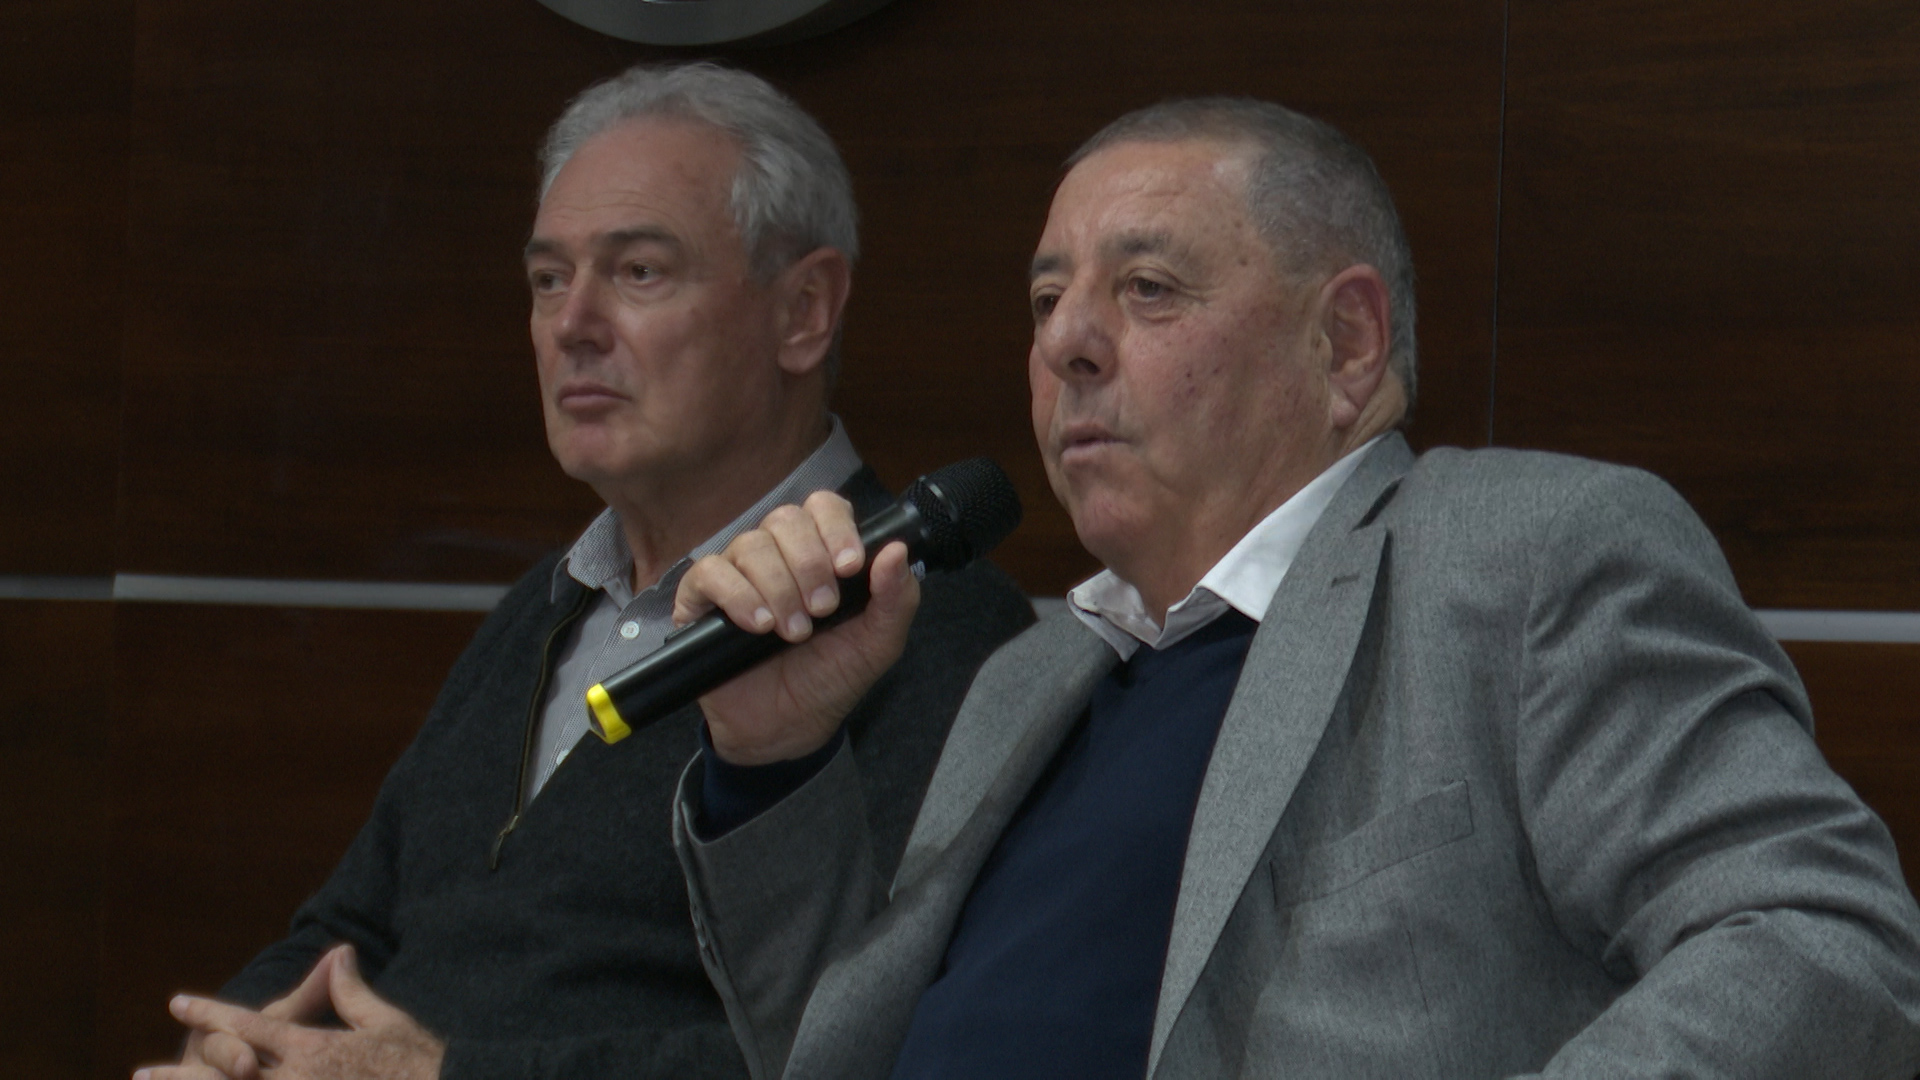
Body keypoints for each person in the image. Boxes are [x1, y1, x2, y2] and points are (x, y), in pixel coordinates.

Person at [669, 98, 1920, 1079]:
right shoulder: (1028, 677)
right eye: (1046, 300)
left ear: (1346, 343)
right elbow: (840, 1052)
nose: (1065, 343)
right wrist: (771, 760)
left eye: (1146, 289)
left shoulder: (1520, 557)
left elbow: (1820, 941)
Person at [139, 62, 1033, 1080]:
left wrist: (445, 1077)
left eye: (638, 271)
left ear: (804, 310)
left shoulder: (935, 628)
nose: (572, 325)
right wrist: (236, 1046)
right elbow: (348, 929)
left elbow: (870, 1046)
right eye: (548, 280)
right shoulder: (545, 605)